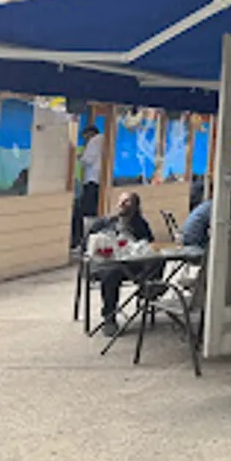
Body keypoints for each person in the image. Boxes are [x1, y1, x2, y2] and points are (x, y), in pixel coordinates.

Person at [86, 192, 157, 337]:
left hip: (131, 263)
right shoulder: (105, 222)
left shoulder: (140, 224)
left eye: (127, 202)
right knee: (111, 274)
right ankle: (109, 318)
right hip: (105, 264)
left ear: (136, 206)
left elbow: (150, 245)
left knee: (158, 260)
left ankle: (148, 290)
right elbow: (86, 246)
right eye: (121, 201)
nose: (122, 204)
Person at [72, 125, 104, 248]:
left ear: (89, 133)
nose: (84, 140)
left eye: (84, 137)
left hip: (92, 179)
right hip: (100, 180)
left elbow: (88, 160)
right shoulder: (105, 139)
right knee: (94, 210)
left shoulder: (94, 141)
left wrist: (80, 158)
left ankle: (84, 240)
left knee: (86, 211)